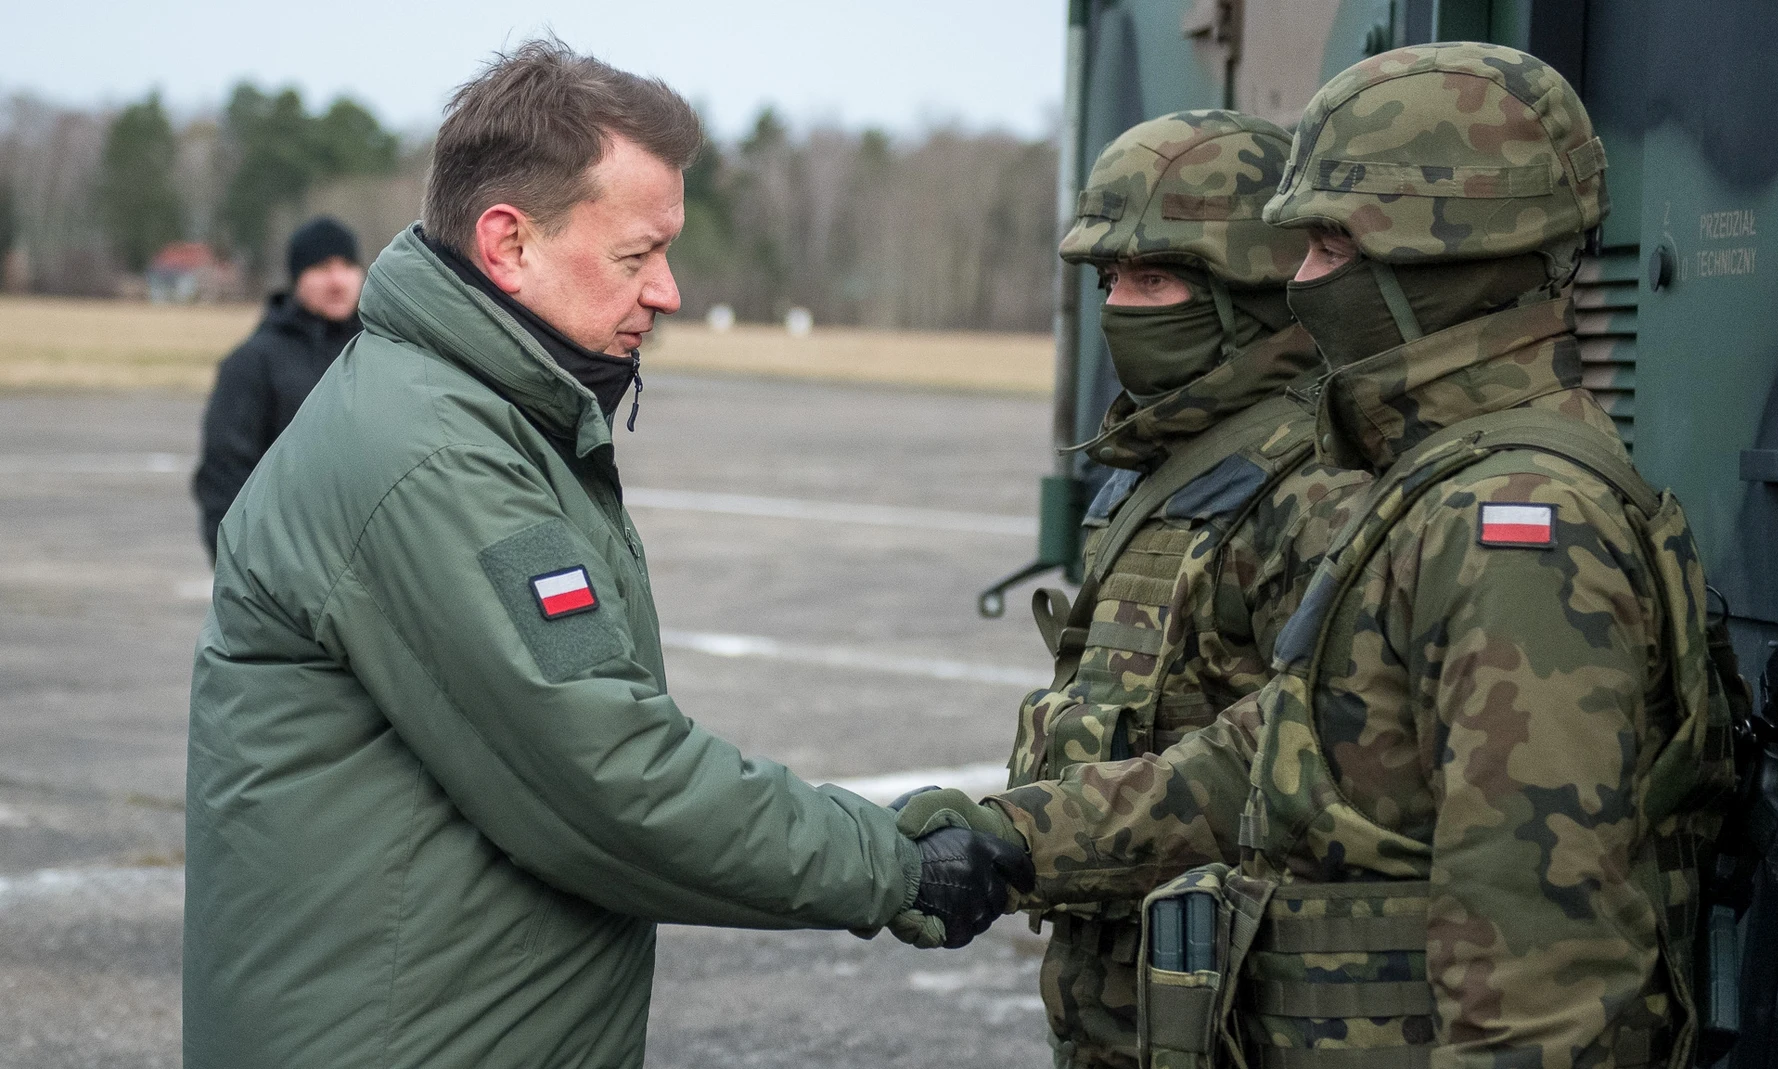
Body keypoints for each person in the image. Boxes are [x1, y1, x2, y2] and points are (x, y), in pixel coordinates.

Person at [886, 43, 1735, 1069]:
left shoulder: (1514, 529)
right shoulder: (1433, 493)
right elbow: (1270, 759)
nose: (1297, 283)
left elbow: (1539, 992)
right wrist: (1019, 839)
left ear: (1442, 257)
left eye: (1328, 247)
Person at [184, 40, 1029, 1069]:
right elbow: (607, 780)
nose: (665, 292)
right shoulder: (435, 454)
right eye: (636, 256)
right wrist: (890, 864)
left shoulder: (480, 414)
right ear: (508, 245)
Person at [1002, 110, 1367, 1069]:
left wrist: (1015, 842)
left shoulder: (1317, 489)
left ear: (1246, 293)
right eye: (1110, 281)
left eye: (1153, 279)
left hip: (1236, 1024)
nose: (1122, 305)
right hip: (1123, 1017)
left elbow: (1287, 781)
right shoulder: (1154, 465)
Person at [191, 216, 364, 560]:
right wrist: (245, 571)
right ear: (297, 278)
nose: (338, 280)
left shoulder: (380, 351)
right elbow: (225, 478)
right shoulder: (253, 364)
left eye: (347, 266)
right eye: (322, 267)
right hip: (286, 571)